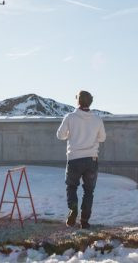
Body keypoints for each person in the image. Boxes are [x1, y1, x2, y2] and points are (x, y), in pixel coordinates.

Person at [56, 90, 106, 229]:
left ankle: (73, 209)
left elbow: (60, 135)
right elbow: (102, 138)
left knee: (71, 187)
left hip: (74, 159)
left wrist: (70, 136)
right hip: (91, 160)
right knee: (89, 191)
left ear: (77, 100)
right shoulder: (97, 119)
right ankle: (84, 221)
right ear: (90, 101)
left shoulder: (70, 117)